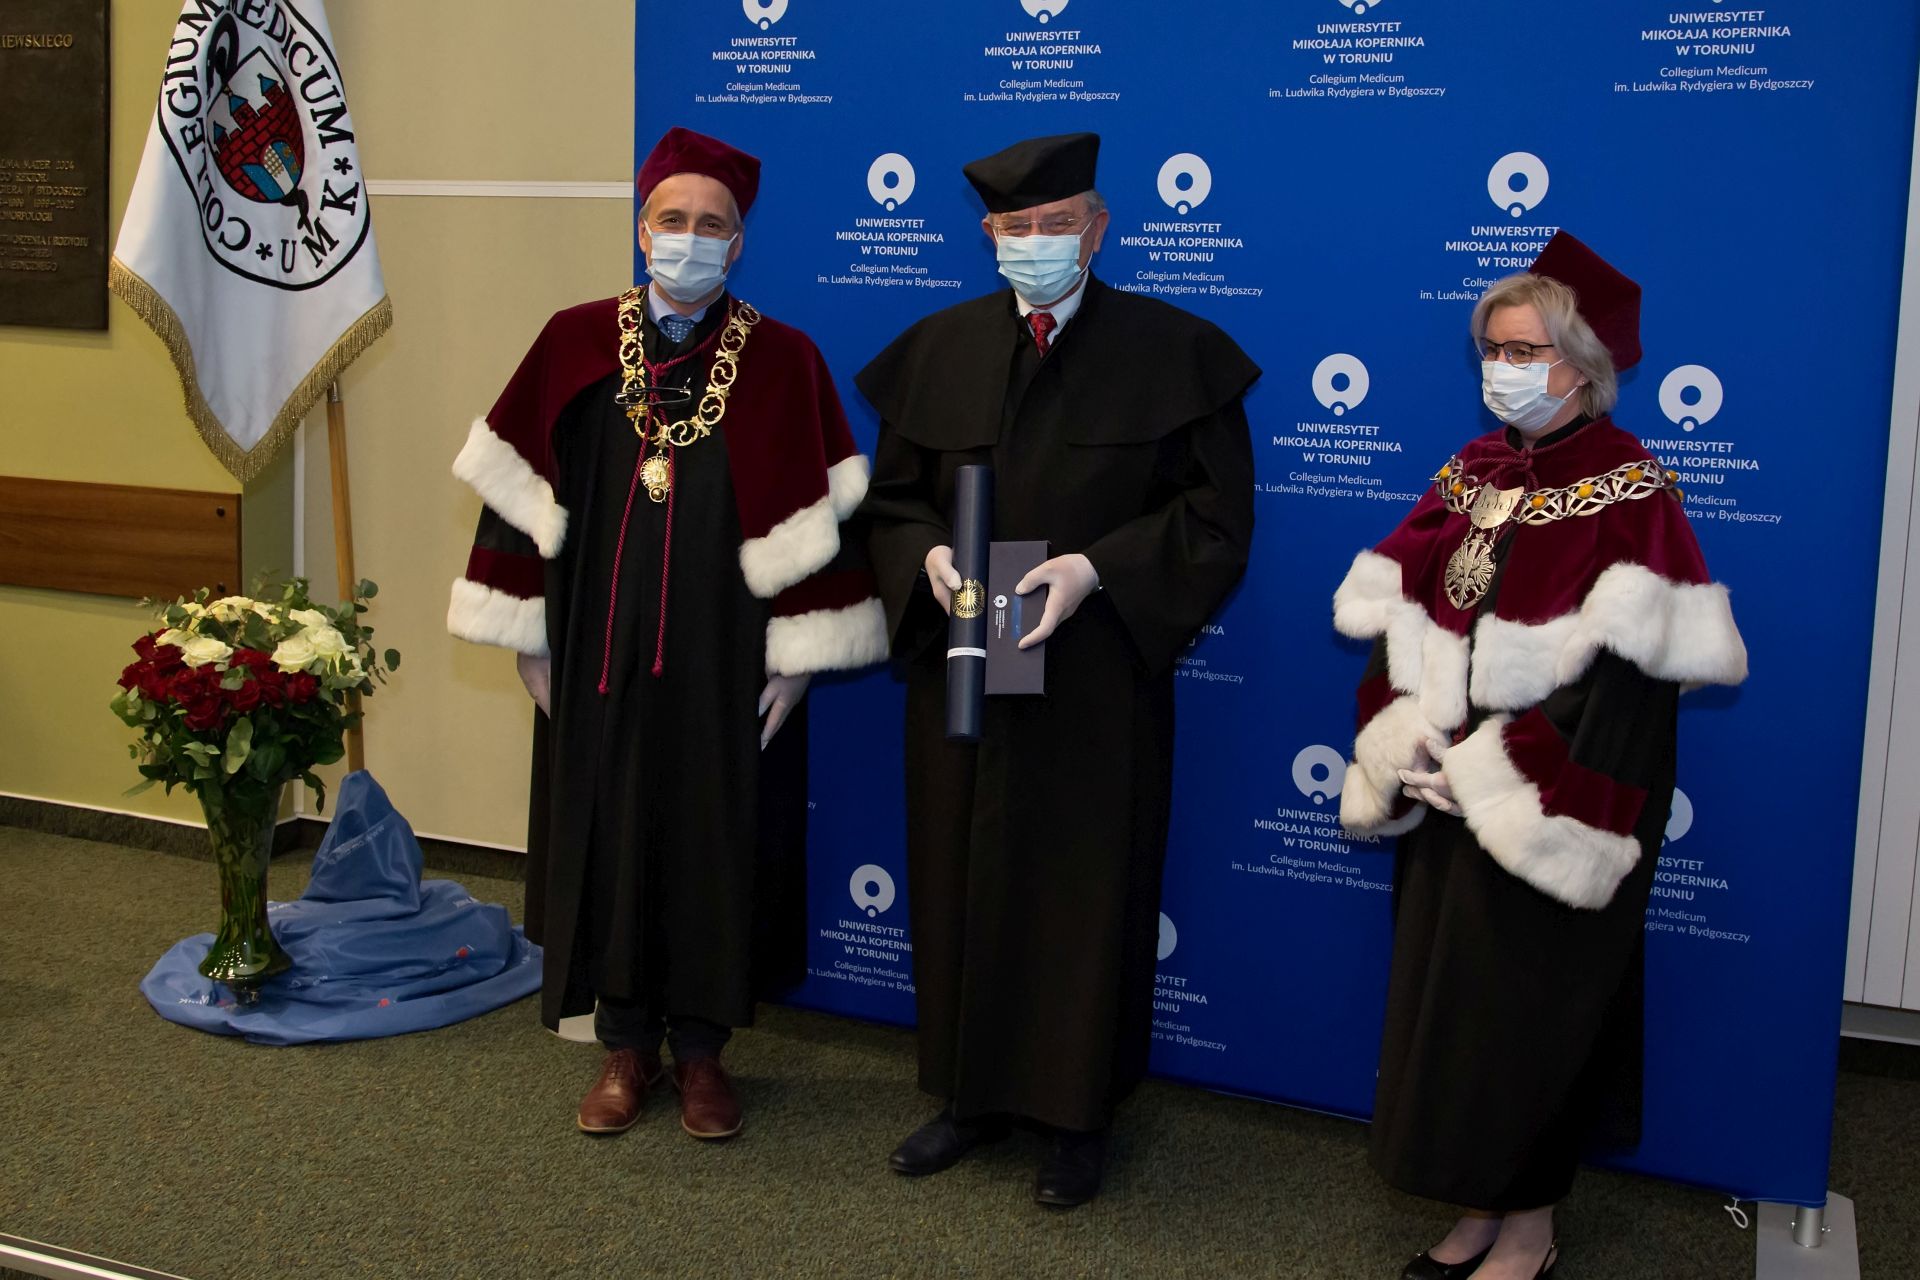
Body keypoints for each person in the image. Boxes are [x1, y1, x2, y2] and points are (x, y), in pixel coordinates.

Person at [446, 126, 886, 1143]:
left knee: (713, 839)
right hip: (596, 656)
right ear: (643, 230)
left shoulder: (784, 361)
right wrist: (526, 633)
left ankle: (702, 1053)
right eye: (672, 219)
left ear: (739, 243)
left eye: (712, 224)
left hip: (726, 662)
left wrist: (801, 661)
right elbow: (516, 499)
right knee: (610, 832)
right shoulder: (571, 342)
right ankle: (624, 1045)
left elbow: (822, 523)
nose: (691, 237)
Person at [1332, 233, 1747, 1279]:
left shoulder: (1630, 489)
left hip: (1544, 801)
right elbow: (1404, 606)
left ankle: (1529, 1230)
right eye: (1492, 348)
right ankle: (1480, 1206)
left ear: (1583, 363)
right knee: (1452, 1009)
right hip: (1445, 785)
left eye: (1524, 350)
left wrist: (1498, 769)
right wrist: (1407, 734)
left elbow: (1629, 688)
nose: (1501, 368)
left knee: (1528, 1014)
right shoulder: (1474, 469)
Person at [856, 132, 1259, 1208]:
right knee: (958, 867)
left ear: (1099, 227)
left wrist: (1095, 570)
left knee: (1087, 888)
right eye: (1017, 227)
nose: (1037, 242)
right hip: (962, 662)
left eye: (1058, 223)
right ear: (989, 235)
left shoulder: (1175, 350)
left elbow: (1217, 519)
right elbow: (892, 503)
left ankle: (1078, 1116)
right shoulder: (937, 349)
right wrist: (924, 556)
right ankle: (966, 1096)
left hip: (1097, 674)